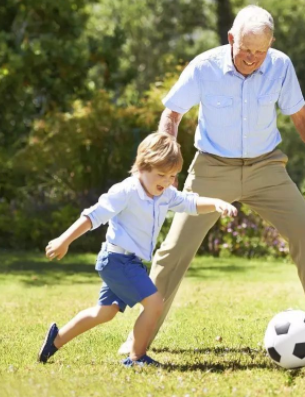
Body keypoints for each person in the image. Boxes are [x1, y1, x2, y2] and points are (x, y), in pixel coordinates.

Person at [119, 5, 305, 355]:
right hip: (212, 169)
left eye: (259, 51)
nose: (252, 58)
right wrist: (166, 163)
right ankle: (138, 340)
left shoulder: (280, 66)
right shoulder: (205, 67)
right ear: (231, 39)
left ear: (270, 44)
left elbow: (300, 115)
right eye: (245, 50)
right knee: (173, 252)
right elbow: (172, 113)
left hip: (267, 168)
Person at [37, 132, 237, 367]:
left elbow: (189, 203)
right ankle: (136, 357)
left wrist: (216, 203)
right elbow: (93, 216)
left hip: (128, 263)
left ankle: (55, 340)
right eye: (161, 174)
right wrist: (64, 240)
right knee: (155, 304)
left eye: (172, 175)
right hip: (116, 260)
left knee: (106, 312)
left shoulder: (165, 194)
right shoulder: (127, 191)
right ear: (142, 167)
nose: (166, 181)